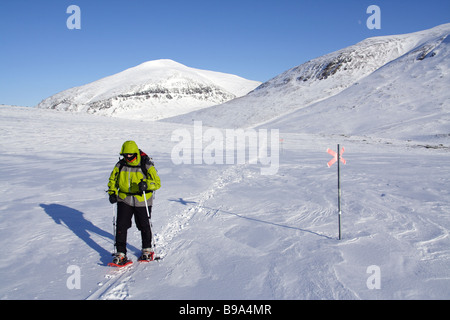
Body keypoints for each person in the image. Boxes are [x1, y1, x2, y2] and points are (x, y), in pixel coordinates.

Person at [107, 140, 161, 265]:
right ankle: (121, 253)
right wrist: (112, 192)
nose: (128, 157)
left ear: (136, 153)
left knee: (143, 224)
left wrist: (146, 185)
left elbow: (157, 182)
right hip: (124, 198)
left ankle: (147, 249)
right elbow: (113, 179)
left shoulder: (146, 164)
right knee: (121, 225)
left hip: (142, 199)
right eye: (126, 155)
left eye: (131, 155)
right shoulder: (120, 165)